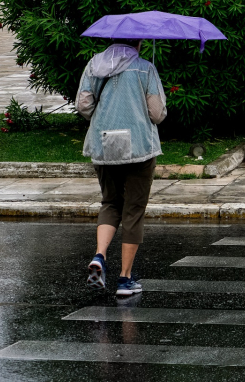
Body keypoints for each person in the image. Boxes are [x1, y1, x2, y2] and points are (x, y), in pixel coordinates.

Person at [75, 39, 167, 296]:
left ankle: (100, 255)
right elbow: (157, 113)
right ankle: (125, 279)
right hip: (139, 147)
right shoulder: (145, 68)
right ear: (137, 43)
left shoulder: (93, 65)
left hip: (104, 145)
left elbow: (83, 105)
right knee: (134, 210)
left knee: (110, 202)